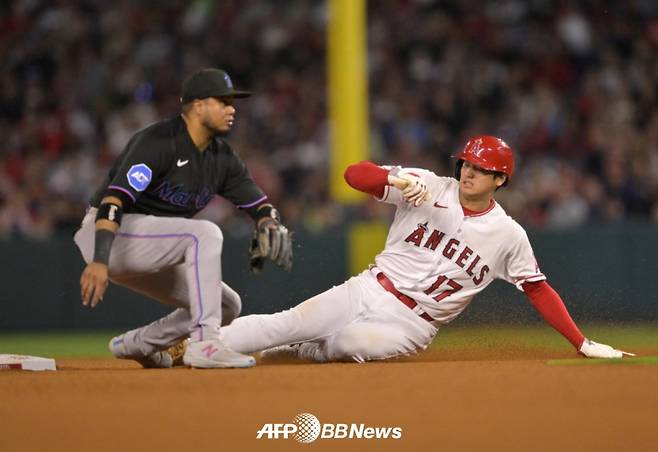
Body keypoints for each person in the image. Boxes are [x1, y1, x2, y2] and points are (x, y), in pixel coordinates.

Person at [216, 136, 633, 362]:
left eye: (481, 169)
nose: (469, 172)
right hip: (370, 288)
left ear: (500, 180)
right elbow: (352, 175)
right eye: (466, 164)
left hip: (412, 325)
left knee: (349, 344)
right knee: (285, 321)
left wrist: (580, 342)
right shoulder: (429, 185)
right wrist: (393, 179)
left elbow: (538, 289)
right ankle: (200, 343)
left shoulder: (508, 234)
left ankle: (296, 350)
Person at [73, 68, 293, 369]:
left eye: (232, 103)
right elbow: (114, 201)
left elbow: (261, 207)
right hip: (109, 233)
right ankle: (204, 343)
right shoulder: (158, 141)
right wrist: (100, 259)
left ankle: (137, 345)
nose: (232, 109)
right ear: (199, 105)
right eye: (224, 102)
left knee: (227, 305)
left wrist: (270, 223)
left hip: (155, 244)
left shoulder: (223, 159)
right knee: (204, 233)